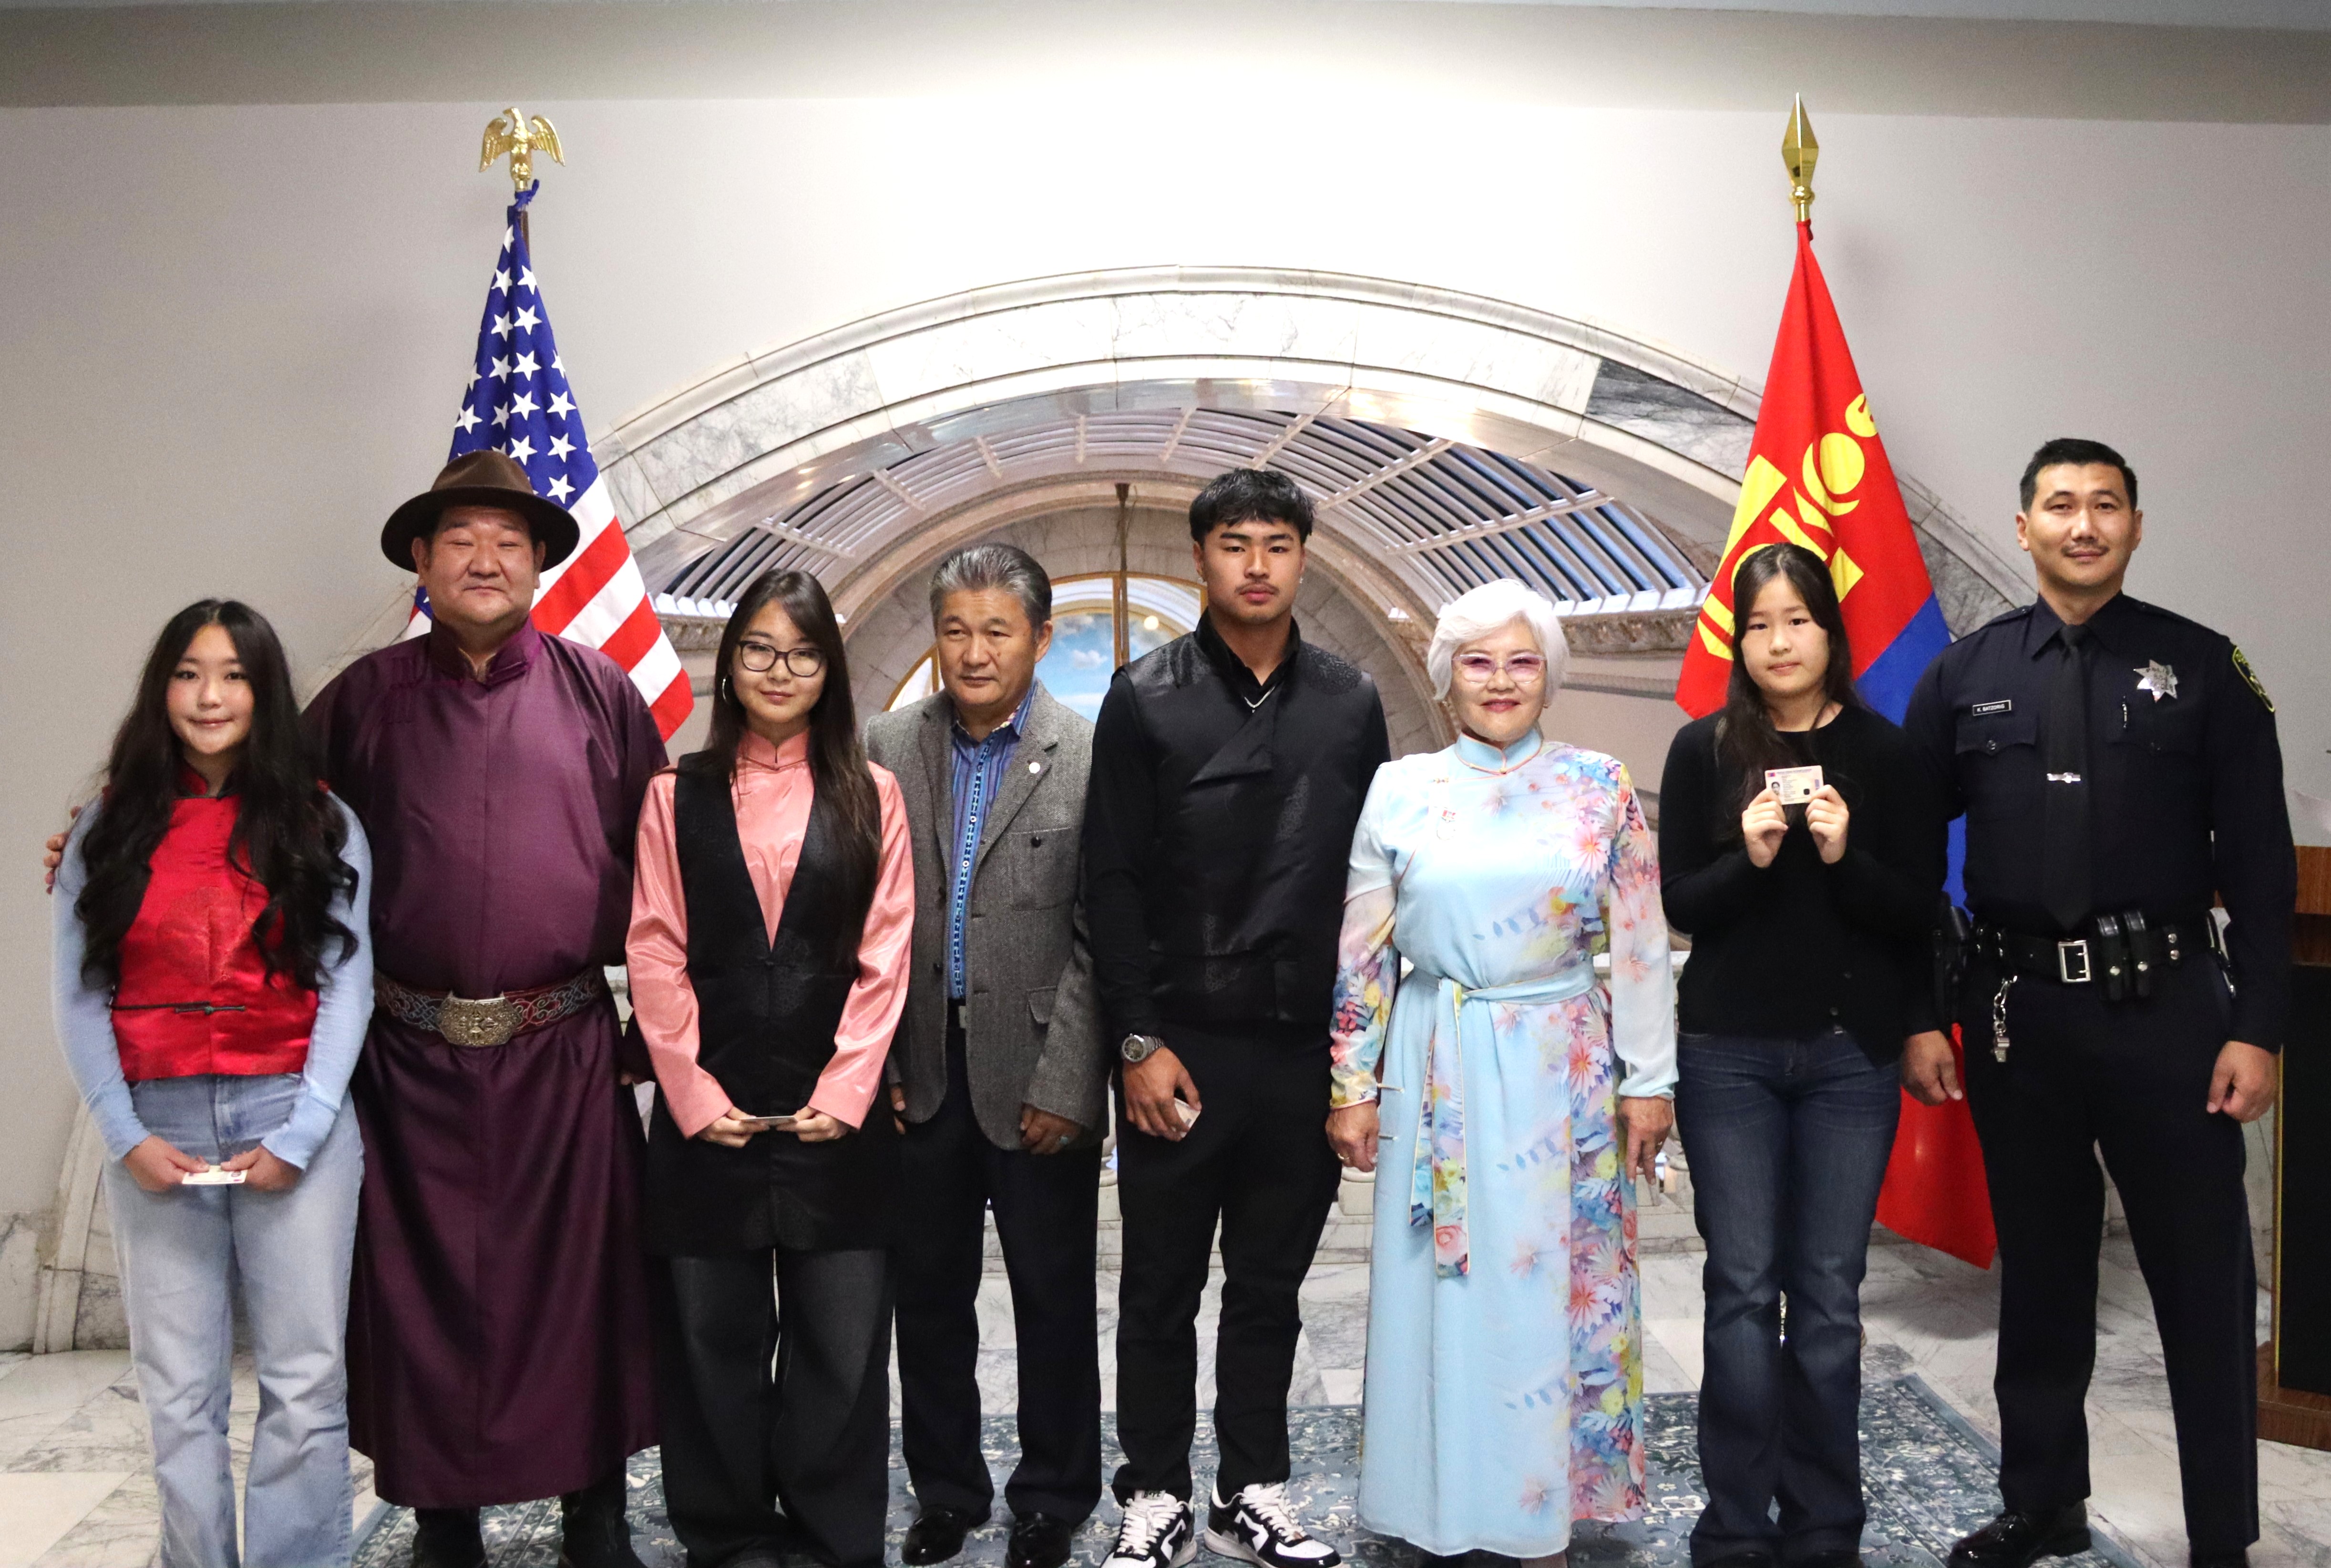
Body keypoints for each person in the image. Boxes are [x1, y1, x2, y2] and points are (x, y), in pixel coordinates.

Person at [1900, 439, 2293, 1568]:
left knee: (2203, 1277)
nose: (2084, 524)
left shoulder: (2203, 667)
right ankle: (2044, 1503)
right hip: (2020, 1014)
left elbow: (2260, 863)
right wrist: (1923, 1012)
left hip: (2172, 1013)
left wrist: (2258, 1025)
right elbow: (1908, 856)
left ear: (2135, 525)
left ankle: (2220, 1533)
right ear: (2023, 527)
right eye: (2062, 505)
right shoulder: (1965, 674)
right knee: (2043, 1269)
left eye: (2106, 505)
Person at [307, 450, 667, 1568]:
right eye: (460, 538)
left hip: (565, 1053)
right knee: (423, 1300)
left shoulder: (601, 694)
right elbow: (255, 820)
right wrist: (114, 824)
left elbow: (668, 873)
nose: (484, 558)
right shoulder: (360, 701)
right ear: (421, 558)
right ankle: (442, 1520)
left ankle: (594, 1513)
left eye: (508, 540)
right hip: (407, 1062)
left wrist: (653, 1035)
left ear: (540, 562)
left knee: (582, 1290)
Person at [1325, 578, 1675, 1568]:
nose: (1500, 680)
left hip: (1564, 1067)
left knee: (1549, 1289)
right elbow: (1362, 951)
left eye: (1522, 661)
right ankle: (1438, 1506)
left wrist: (1649, 1079)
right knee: (1439, 1287)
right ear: (1446, 677)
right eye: (1477, 661)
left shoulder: (1600, 784)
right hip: (1434, 1058)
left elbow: (1641, 943)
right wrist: (1352, 1084)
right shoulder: (1401, 787)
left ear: (1550, 675)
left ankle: (1537, 1516)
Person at [1084, 467, 1390, 1568]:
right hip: (1179, 1043)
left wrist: (1359, 1066)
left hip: (1302, 1047)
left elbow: (1373, 891)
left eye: (1277, 544)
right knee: (1159, 1288)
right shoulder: (1144, 695)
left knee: (1271, 1288)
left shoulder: (1351, 701)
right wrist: (1136, 1041)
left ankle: (1250, 1488)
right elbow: (1110, 880)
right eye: (1234, 544)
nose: (1256, 565)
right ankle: (1155, 1490)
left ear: (1304, 557)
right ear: (1200, 557)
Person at [51, 600, 373, 1568]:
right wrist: (124, 1133)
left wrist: (301, 1134)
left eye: (233, 675)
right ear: (162, 689)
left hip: (290, 1110)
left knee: (305, 1380)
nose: (209, 695)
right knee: (178, 1388)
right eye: (189, 673)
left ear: (265, 692)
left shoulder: (323, 823)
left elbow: (347, 988)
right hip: (158, 1123)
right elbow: (78, 993)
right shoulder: (106, 828)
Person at [1656, 544, 1944, 1568]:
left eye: (1798, 621)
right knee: (1740, 1288)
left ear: (1831, 632)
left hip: (1847, 1057)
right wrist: (1749, 859)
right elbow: (1680, 904)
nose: (1779, 642)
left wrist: (1840, 855)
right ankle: (1735, 1523)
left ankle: (1824, 1523)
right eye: (1760, 625)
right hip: (1726, 1056)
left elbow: (1916, 910)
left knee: (1827, 1296)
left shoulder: (1887, 753)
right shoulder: (1702, 750)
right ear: (1740, 641)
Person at [627, 568, 914, 1568]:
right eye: (758, 648)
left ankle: (834, 1537)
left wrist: (847, 1090)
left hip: (837, 1123)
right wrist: (693, 1095)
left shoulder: (872, 793)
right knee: (713, 1341)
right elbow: (655, 948)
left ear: (829, 668)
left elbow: (887, 954)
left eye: (801, 652)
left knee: (842, 1343)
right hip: (708, 1117)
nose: (778, 670)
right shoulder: (675, 794)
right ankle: (730, 1536)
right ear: (731, 662)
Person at [864, 544, 1109, 1568]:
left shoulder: (1087, 751)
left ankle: (1052, 1497)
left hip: (1039, 1074)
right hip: (920, 1072)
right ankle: (947, 1490)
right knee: (927, 1300)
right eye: (955, 629)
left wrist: (1071, 1079)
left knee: (1053, 1300)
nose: (973, 651)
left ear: (1040, 638)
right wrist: (877, 1064)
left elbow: (1102, 933)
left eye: (996, 630)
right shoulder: (888, 741)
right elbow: (868, 918)